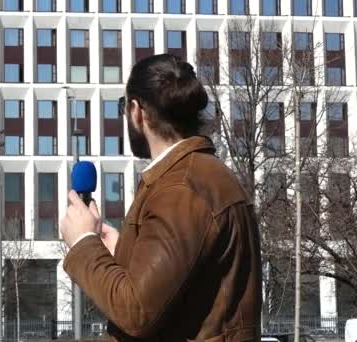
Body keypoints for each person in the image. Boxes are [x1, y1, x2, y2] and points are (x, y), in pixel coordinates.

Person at [60, 54, 262, 341]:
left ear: (136, 111)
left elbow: (136, 311)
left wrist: (83, 243)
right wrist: (124, 251)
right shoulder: (200, 176)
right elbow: (181, 290)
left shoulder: (180, 188)